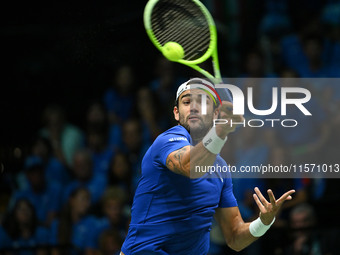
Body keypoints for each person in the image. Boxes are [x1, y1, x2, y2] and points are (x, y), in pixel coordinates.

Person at [120, 78, 295, 255]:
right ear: (176, 113)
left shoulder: (220, 169)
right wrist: (220, 131)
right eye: (186, 102)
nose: (193, 107)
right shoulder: (167, 141)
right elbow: (190, 166)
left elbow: (235, 237)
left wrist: (264, 222)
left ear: (216, 113)